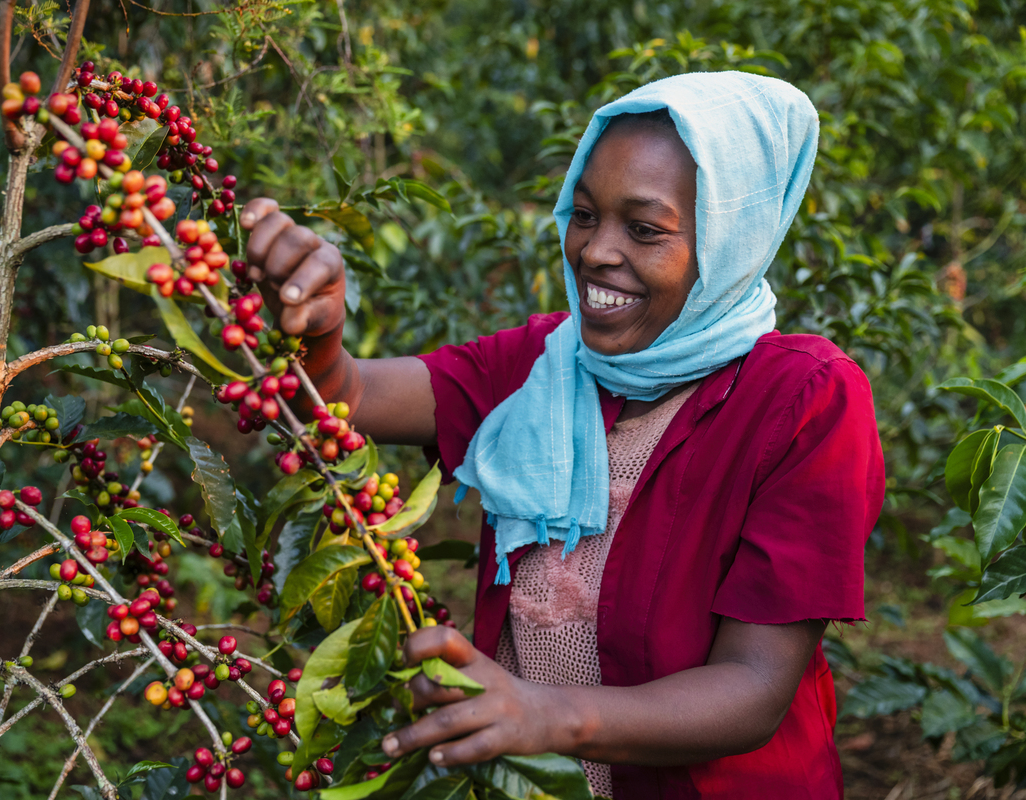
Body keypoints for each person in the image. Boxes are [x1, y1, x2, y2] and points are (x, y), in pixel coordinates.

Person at [238, 71, 884, 799]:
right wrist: (317, 324)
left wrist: (546, 714)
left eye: (644, 228)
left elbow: (754, 688)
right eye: (584, 215)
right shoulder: (546, 363)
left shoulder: (803, 398)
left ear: (729, 242)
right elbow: (348, 398)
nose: (594, 252)